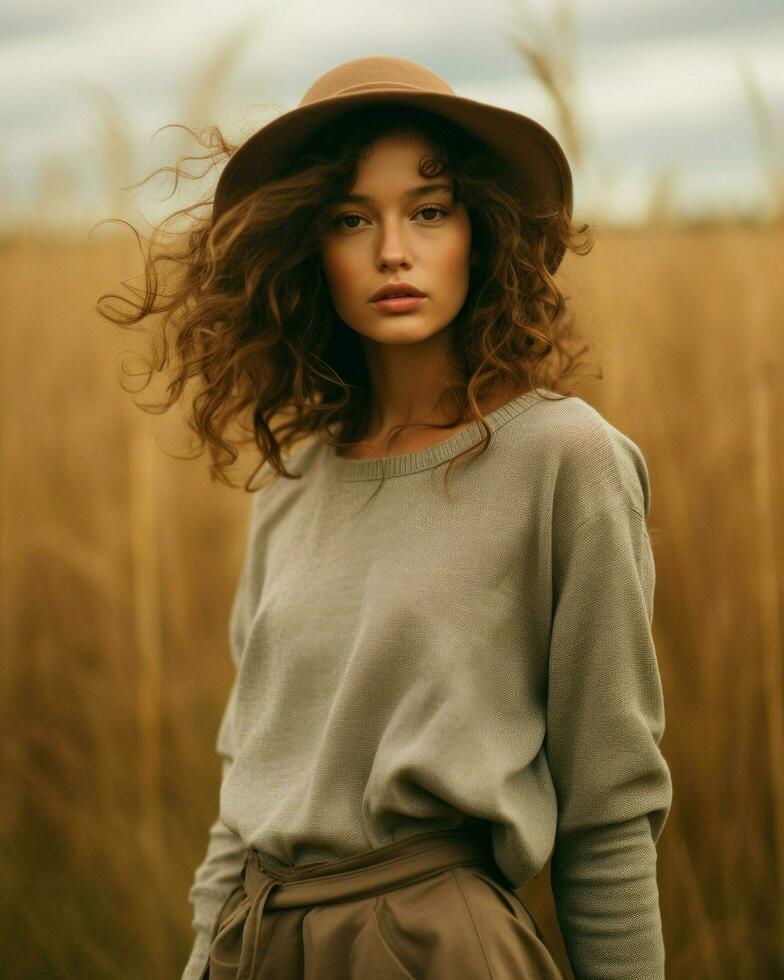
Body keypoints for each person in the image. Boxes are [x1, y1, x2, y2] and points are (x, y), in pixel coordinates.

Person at [97, 55, 672, 980]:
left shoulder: (567, 460)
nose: (392, 251)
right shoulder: (292, 484)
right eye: (351, 219)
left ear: (480, 233)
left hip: (436, 948)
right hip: (261, 943)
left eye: (430, 210)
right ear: (306, 247)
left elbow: (608, 818)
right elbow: (244, 797)